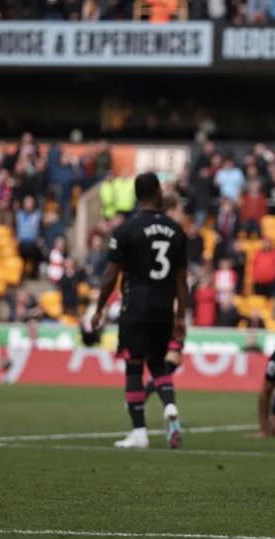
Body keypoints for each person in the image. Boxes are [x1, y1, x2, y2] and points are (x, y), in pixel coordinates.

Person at [92, 172, 189, 450]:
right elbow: (182, 281)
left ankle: (139, 433)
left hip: (135, 307)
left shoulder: (126, 230)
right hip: (163, 308)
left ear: (136, 196)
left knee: (134, 366)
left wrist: (99, 309)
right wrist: (180, 316)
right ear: (159, 192)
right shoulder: (176, 230)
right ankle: (169, 405)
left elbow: (111, 275)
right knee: (158, 363)